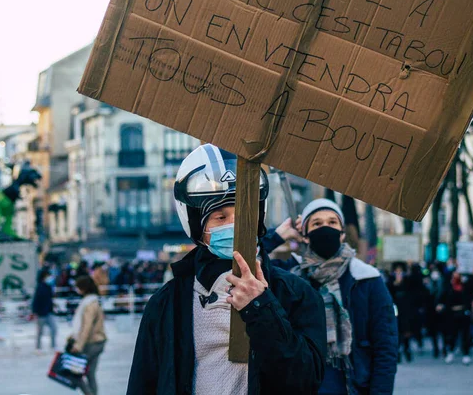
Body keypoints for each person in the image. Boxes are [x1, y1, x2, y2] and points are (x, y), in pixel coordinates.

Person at [127, 144, 327, 395]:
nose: (234, 225)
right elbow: (143, 383)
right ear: (197, 226)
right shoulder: (167, 304)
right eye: (220, 218)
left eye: (243, 213)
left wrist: (262, 307)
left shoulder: (297, 294)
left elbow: (305, 381)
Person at [269, 199, 398, 395]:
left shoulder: (366, 278)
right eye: (317, 224)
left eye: (332, 222)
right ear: (305, 235)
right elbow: (245, 260)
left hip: (352, 388)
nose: (325, 228)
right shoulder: (289, 276)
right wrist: (278, 235)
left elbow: (385, 347)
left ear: (342, 233)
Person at [70, 276, 107, 395]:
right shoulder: (93, 301)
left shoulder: (89, 304)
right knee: (90, 373)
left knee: (75, 373)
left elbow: (87, 326)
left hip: (92, 342)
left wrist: (79, 345)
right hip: (98, 341)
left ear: (83, 288)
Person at [440, 271, 472, 365]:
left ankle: (466, 354)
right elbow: (443, 299)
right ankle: (451, 352)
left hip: (463, 315)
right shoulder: (448, 288)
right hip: (452, 315)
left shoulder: (465, 287)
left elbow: (468, 300)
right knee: (452, 335)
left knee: (465, 335)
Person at [387, 263, 414, 363]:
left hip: (406, 309)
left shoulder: (407, 281)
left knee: (406, 331)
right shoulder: (390, 282)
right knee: (397, 331)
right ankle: (397, 351)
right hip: (395, 309)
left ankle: (407, 349)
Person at [32, 268, 57, 352]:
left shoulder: (49, 287)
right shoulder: (40, 287)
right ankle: (38, 347)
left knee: (54, 329)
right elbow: (36, 300)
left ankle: (53, 346)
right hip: (41, 313)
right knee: (40, 332)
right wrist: (35, 312)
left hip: (49, 312)